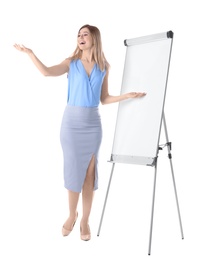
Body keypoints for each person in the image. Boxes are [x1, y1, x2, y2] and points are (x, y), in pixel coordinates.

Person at [14, 24, 146, 241]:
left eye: (85, 34)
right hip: (71, 124)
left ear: (94, 38)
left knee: (89, 175)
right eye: (78, 34)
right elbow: (47, 72)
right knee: (74, 171)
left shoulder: (104, 66)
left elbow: (104, 99)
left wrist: (126, 96)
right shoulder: (71, 63)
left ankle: (85, 219)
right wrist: (30, 54)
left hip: (93, 125)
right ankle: (71, 214)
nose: (80, 37)